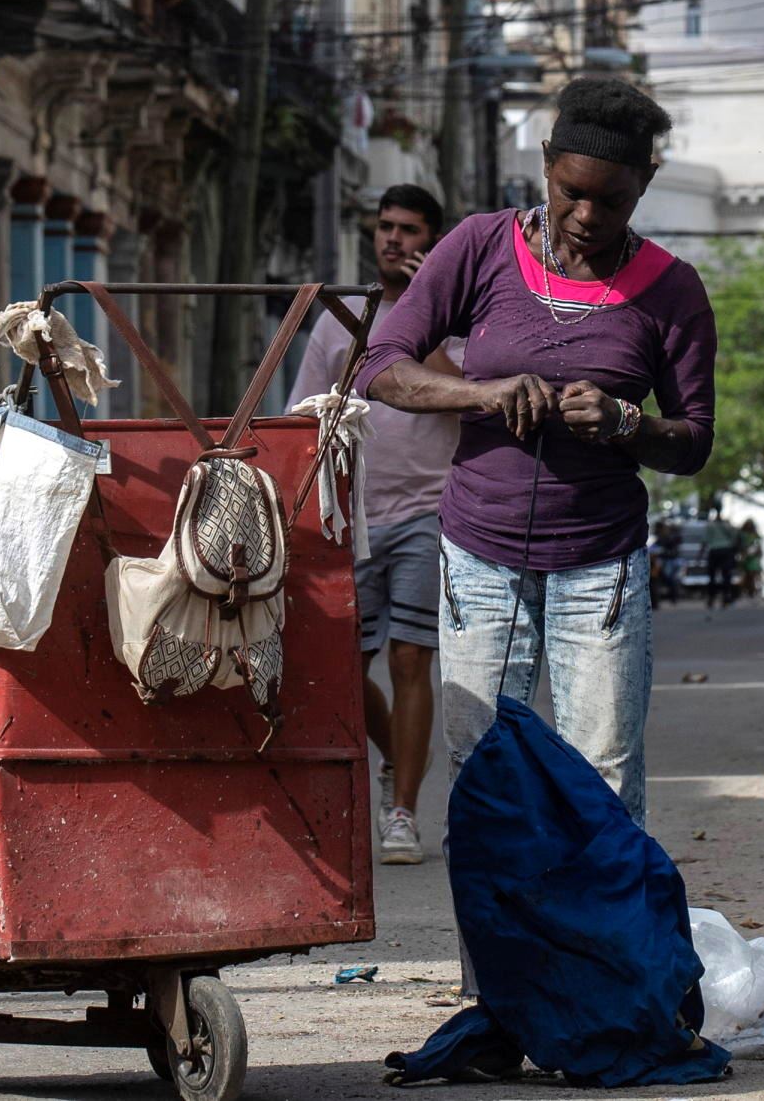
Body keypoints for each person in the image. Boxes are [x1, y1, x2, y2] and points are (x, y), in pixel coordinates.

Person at [354, 74, 714, 827]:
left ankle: (602, 947)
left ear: (646, 182)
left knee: (602, 779)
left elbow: (692, 441)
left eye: (610, 200)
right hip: (479, 557)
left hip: (600, 564)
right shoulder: (481, 246)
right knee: (486, 774)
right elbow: (381, 364)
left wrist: (626, 423)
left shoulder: (672, 291)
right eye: (569, 191)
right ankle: (496, 949)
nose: (585, 216)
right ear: (546, 162)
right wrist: (480, 393)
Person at [292, 183, 462, 867]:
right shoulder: (342, 319)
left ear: (434, 240)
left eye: (409, 229)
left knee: (410, 657)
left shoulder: (455, 318)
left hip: (431, 508)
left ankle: (402, 811)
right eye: (386, 227)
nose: (394, 239)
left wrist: (432, 309)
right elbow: (307, 412)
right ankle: (399, 755)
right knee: (339, 663)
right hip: (353, 512)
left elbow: (471, 390)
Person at [702, 512, 740, 613]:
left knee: (712, 576)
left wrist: (700, 555)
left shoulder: (710, 526)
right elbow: (735, 538)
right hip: (726, 551)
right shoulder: (727, 526)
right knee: (726, 575)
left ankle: (712, 598)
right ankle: (725, 597)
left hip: (714, 551)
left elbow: (705, 541)